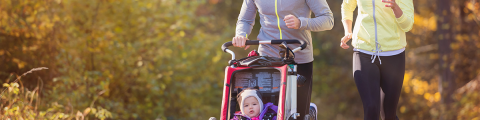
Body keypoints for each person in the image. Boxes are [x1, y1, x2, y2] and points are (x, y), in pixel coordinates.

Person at [232, 0, 334, 119]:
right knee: (267, 112)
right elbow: (245, 20)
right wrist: (241, 34)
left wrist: (301, 22)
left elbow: (328, 20)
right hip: (267, 57)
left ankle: (309, 112)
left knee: (299, 114)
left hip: (298, 56)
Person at [340, 0, 414, 119]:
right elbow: (347, 6)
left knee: (388, 114)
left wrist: (396, 8)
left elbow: (408, 25)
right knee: (371, 108)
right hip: (364, 51)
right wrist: (348, 31)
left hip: (394, 54)